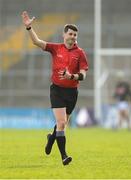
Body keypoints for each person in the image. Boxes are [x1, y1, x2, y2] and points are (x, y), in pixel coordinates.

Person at [22, 11, 88, 165]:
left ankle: (51, 138)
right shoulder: (56, 48)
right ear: (64, 35)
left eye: (75, 35)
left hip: (72, 92)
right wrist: (29, 28)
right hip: (57, 90)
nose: (73, 37)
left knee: (63, 123)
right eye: (70, 34)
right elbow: (37, 42)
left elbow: (83, 74)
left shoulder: (80, 53)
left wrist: (72, 76)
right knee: (62, 123)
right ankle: (64, 156)